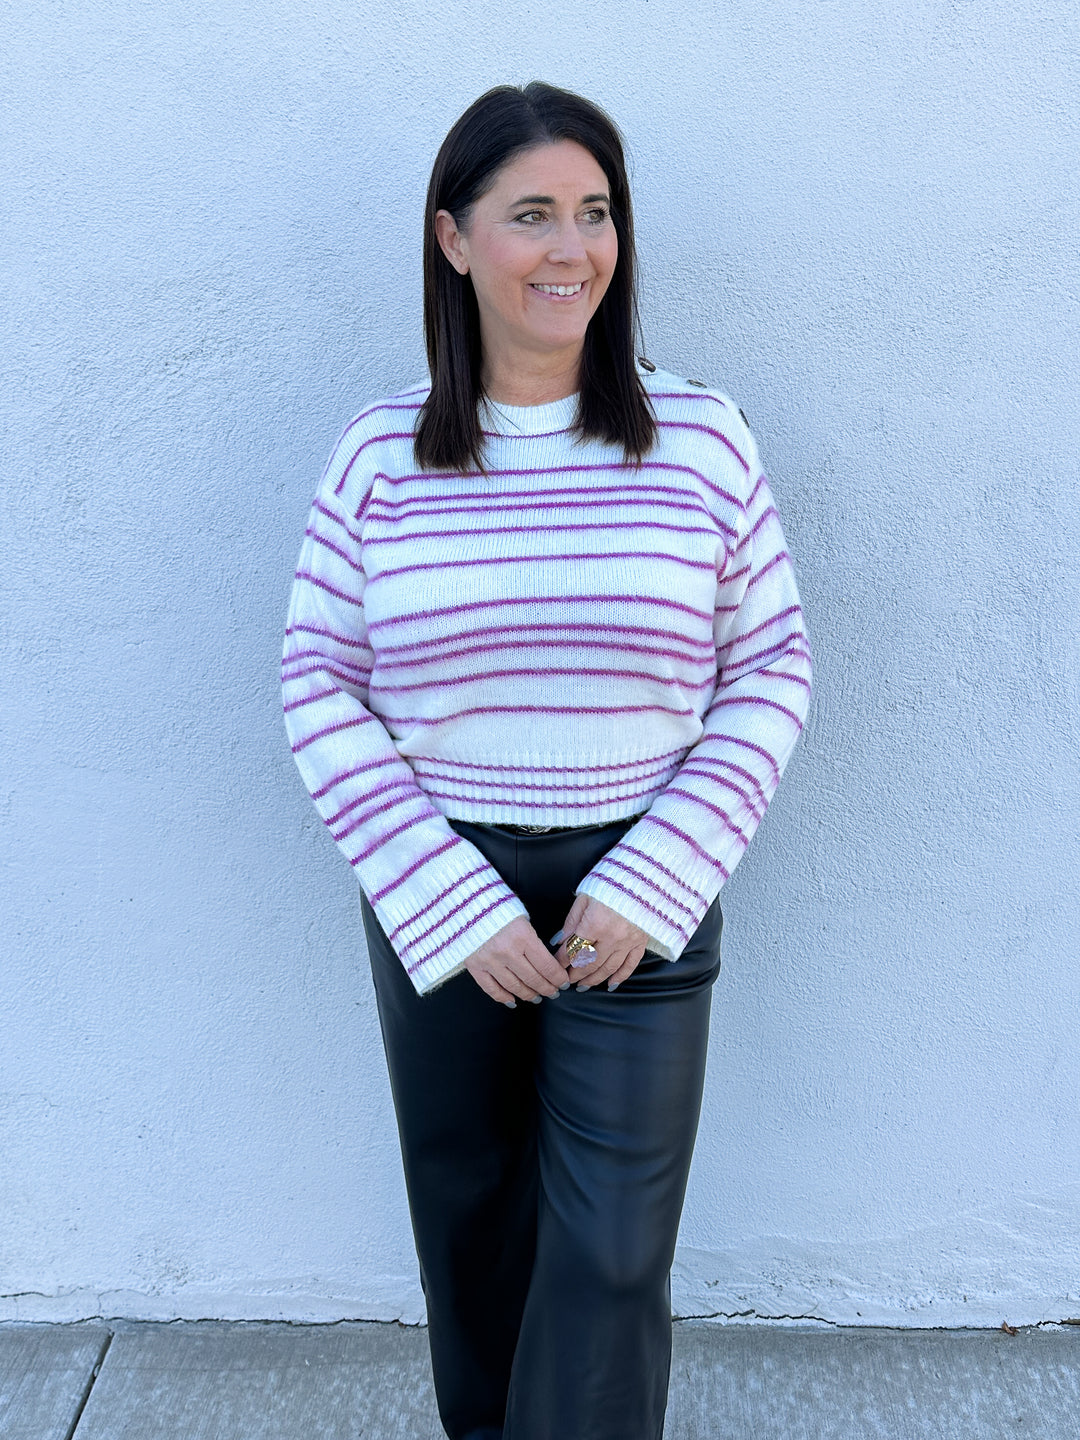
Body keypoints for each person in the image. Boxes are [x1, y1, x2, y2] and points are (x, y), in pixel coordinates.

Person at [282, 81, 811, 1440]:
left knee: (609, 1262)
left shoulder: (698, 439)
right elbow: (318, 682)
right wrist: (451, 904)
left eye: (595, 211)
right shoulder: (380, 457)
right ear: (453, 238)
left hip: (637, 897)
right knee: (474, 1237)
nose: (572, 248)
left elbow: (770, 669)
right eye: (531, 214)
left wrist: (655, 880)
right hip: (442, 895)